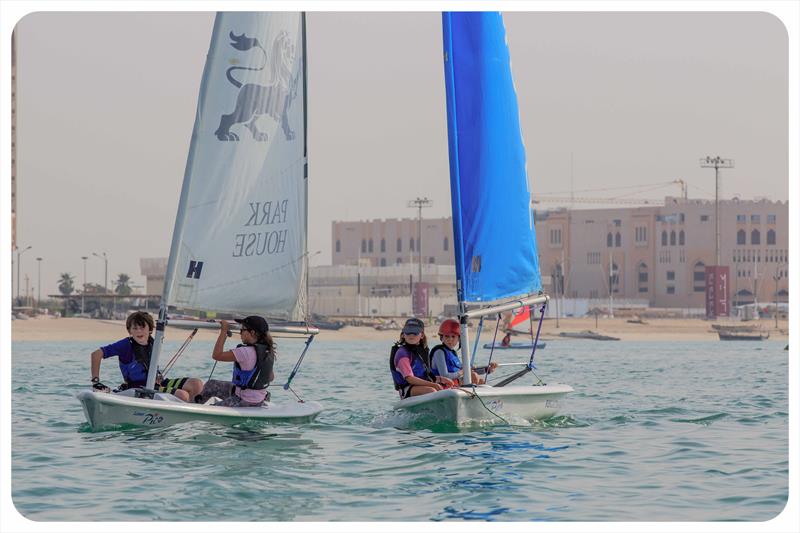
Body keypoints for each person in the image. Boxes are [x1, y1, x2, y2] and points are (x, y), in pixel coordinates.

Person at [89, 311, 204, 402]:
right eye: (135, 328)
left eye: (142, 327)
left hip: (157, 382)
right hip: (140, 386)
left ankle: (192, 418)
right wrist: (96, 382)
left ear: (150, 329)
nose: (139, 331)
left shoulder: (154, 341)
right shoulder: (125, 345)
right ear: (129, 331)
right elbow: (96, 354)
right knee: (182, 395)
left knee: (196, 384)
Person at [196, 316, 275, 407]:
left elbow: (217, 355)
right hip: (260, 398)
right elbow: (271, 377)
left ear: (252, 333)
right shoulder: (268, 351)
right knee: (211, 385)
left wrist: (223, 331)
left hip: (244, 400)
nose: (240, 333)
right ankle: (195, 404)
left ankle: (194, 407)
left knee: (211, 408)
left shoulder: (245, 352)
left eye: (242, 330)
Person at [389, 317, 451, 398]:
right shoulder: (402, 354)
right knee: (432, 390)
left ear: (421, 335)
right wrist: (434, 385)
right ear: (403, 335)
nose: (411, 335)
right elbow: (410, 379)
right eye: (408, 332)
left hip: (420, 386)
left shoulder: (421, 352)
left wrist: (440, 379)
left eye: (415, 332)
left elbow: (425, 376)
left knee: (448, 388)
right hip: (407, 389)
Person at [430, 319, 498, 385]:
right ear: (442, 338)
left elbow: (467, 370)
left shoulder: (453, 353)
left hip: (454, 384)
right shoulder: (439, 352)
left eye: (453, 337)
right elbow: (444, 376)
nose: (450, 339)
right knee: (474, 376)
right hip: (443, 386)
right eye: (447, 336)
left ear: (458, 338)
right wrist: (462, 372)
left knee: (481, 381)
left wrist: (487, 369)